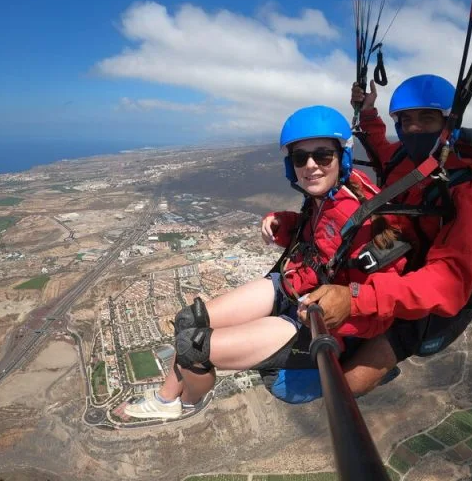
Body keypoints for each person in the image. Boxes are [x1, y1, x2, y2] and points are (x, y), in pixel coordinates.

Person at [124, 105, 410, 419]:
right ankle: (166, 399)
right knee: (187, 321)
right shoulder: (328, 193)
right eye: (301, 158)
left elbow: (384, 300)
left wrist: (336, 317)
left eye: (322, 156)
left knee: (194, 347)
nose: (311, 166)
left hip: (311, 316)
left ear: (340, 158)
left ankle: (187, 403)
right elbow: (319, 239)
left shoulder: (365, 217)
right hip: (293, 286)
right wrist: (281, 222)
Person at [296, 74, 472, 397]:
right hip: (393, 269)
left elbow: (449, 284)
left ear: (449, 121)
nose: (415, 128)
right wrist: (367, 111)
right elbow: (379, 144)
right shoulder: (404, 159)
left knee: (342, 388)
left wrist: (356, 299)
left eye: (427, 118)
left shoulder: (466, 189)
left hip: (428, 304)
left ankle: (379, 363)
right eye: (405, 120)